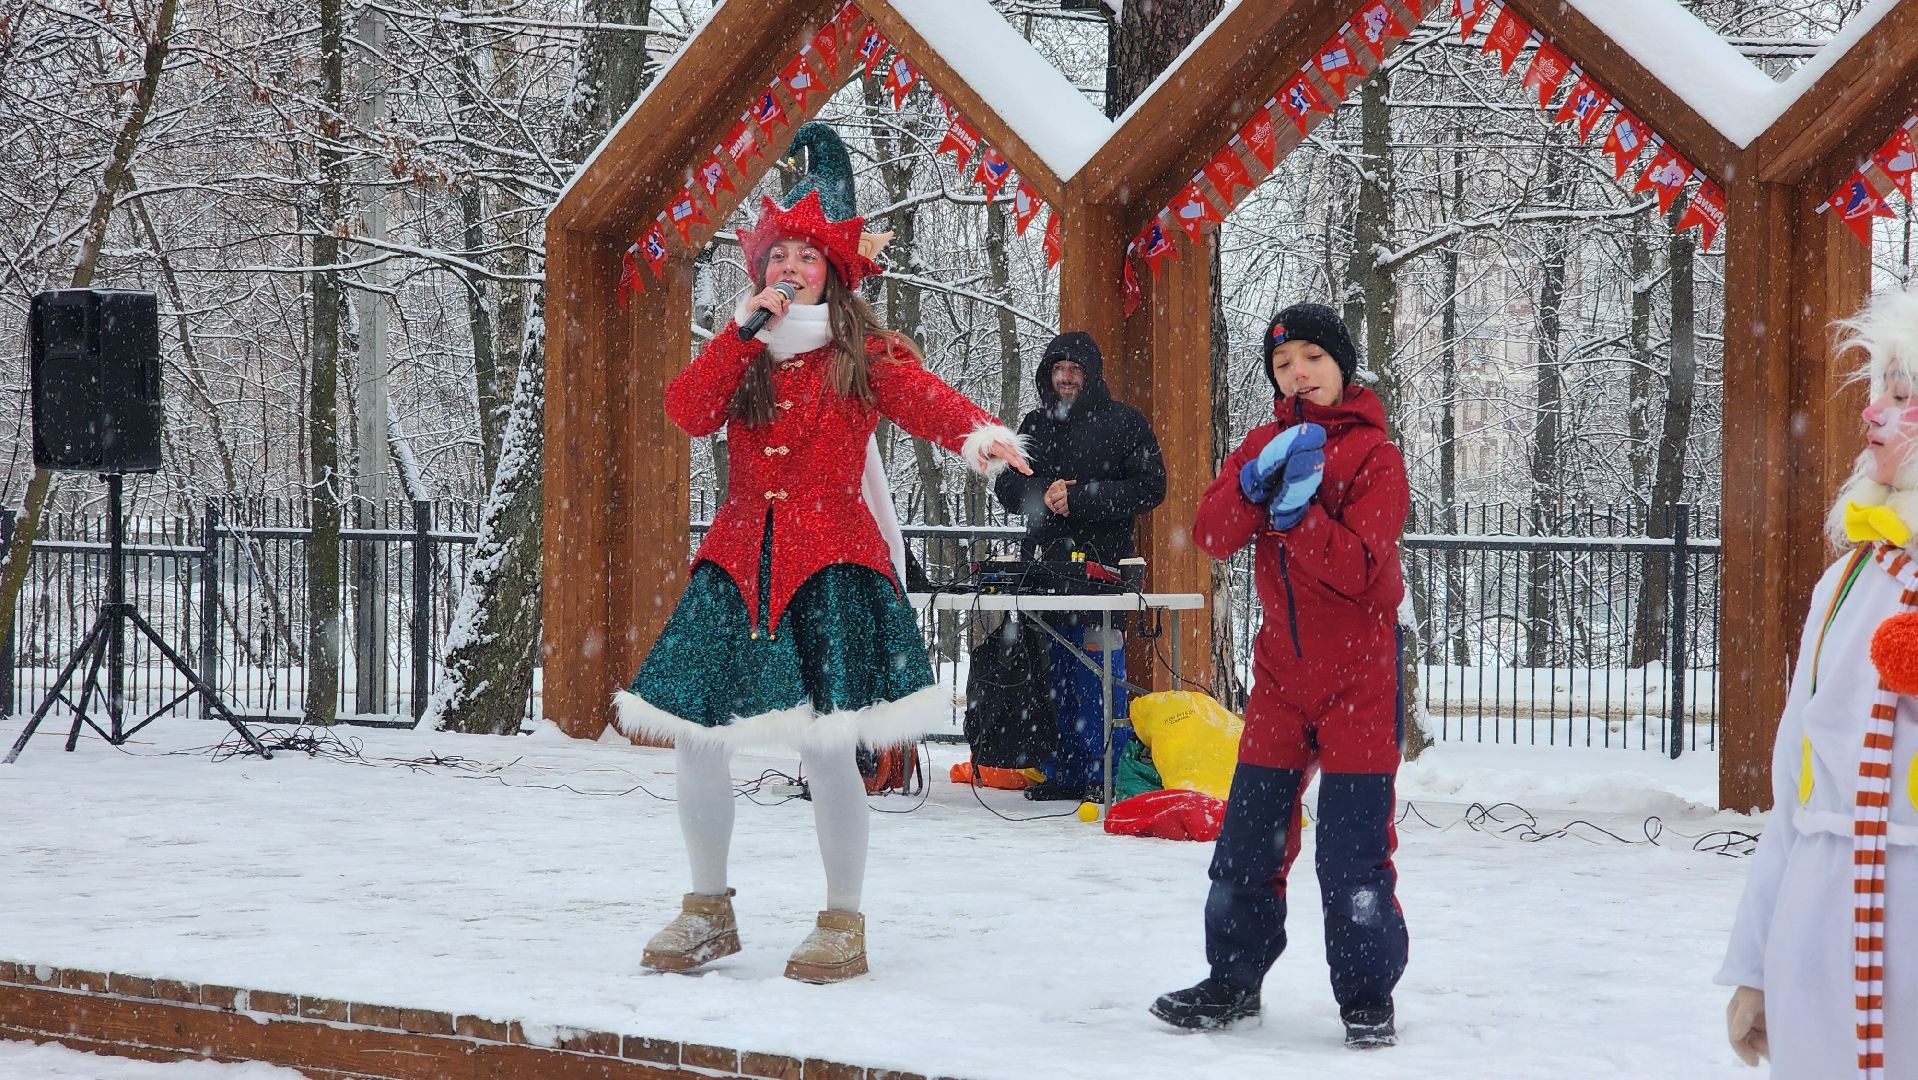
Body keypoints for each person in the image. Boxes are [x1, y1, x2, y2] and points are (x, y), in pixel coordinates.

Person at [615, 123, 1029, 985]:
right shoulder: (743, 357)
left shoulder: (859, 354)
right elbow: (687, 412)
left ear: (834, 274)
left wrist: (975, 434)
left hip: (828, 559)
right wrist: (738, 336)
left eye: (807, 255)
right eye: (779, 255)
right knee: (696, 738)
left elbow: (921, 396)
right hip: (736, 562)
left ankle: (843, 922)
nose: (790, 267)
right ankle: (706, 914)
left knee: (828, 745)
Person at [1151, 303, 1410, 1049]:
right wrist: (1254, 489)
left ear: (1341, 366)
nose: (1298, 372)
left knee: (1352, 852)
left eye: (1312, 358)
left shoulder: (1373, 457)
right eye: (1284, 361)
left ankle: (1366, 996)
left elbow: (1365, 570)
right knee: (1246, 840)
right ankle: (1232, 981)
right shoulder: (1260, 443)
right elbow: (1211, 533)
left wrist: (1298, 519)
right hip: (1280, 679)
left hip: (1360, 680)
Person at [1717, 284, 1918, 1078]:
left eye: (1901, 398)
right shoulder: (1840, 584)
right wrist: (1756, 966)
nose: (1872, 415)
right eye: (1877, 395)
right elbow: (1791, 794)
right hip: (1819, 930)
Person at [992, 331, 1166, 802]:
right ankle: (1061, 771)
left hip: (1103, 573)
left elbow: (1152, 486)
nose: (1065, 379)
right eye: (1058, 370)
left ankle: (1104, 771)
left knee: (1097, 673)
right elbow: (1006, 490)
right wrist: (1046, 492)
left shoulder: (1125, 424)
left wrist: (1084, 496)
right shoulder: (1033, 424)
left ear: (1091, 375)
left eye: (1074, 370)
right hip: (1045, 572)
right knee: (1051, 676)